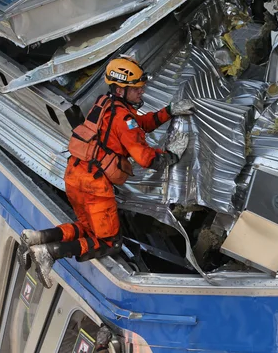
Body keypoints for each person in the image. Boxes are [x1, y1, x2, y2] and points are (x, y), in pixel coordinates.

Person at [18, 56, 194, 288]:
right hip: (94, 185)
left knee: (88, 227)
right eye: (137, 88)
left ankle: (36, 238)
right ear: (121, 89)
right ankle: (50, 252)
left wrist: (169, 111)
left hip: (74, 175)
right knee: (109, 241)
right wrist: (172, 155)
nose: (142, 91)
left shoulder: (105, 104)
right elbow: (145, 158)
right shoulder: (124, 119)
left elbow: (140, 124)